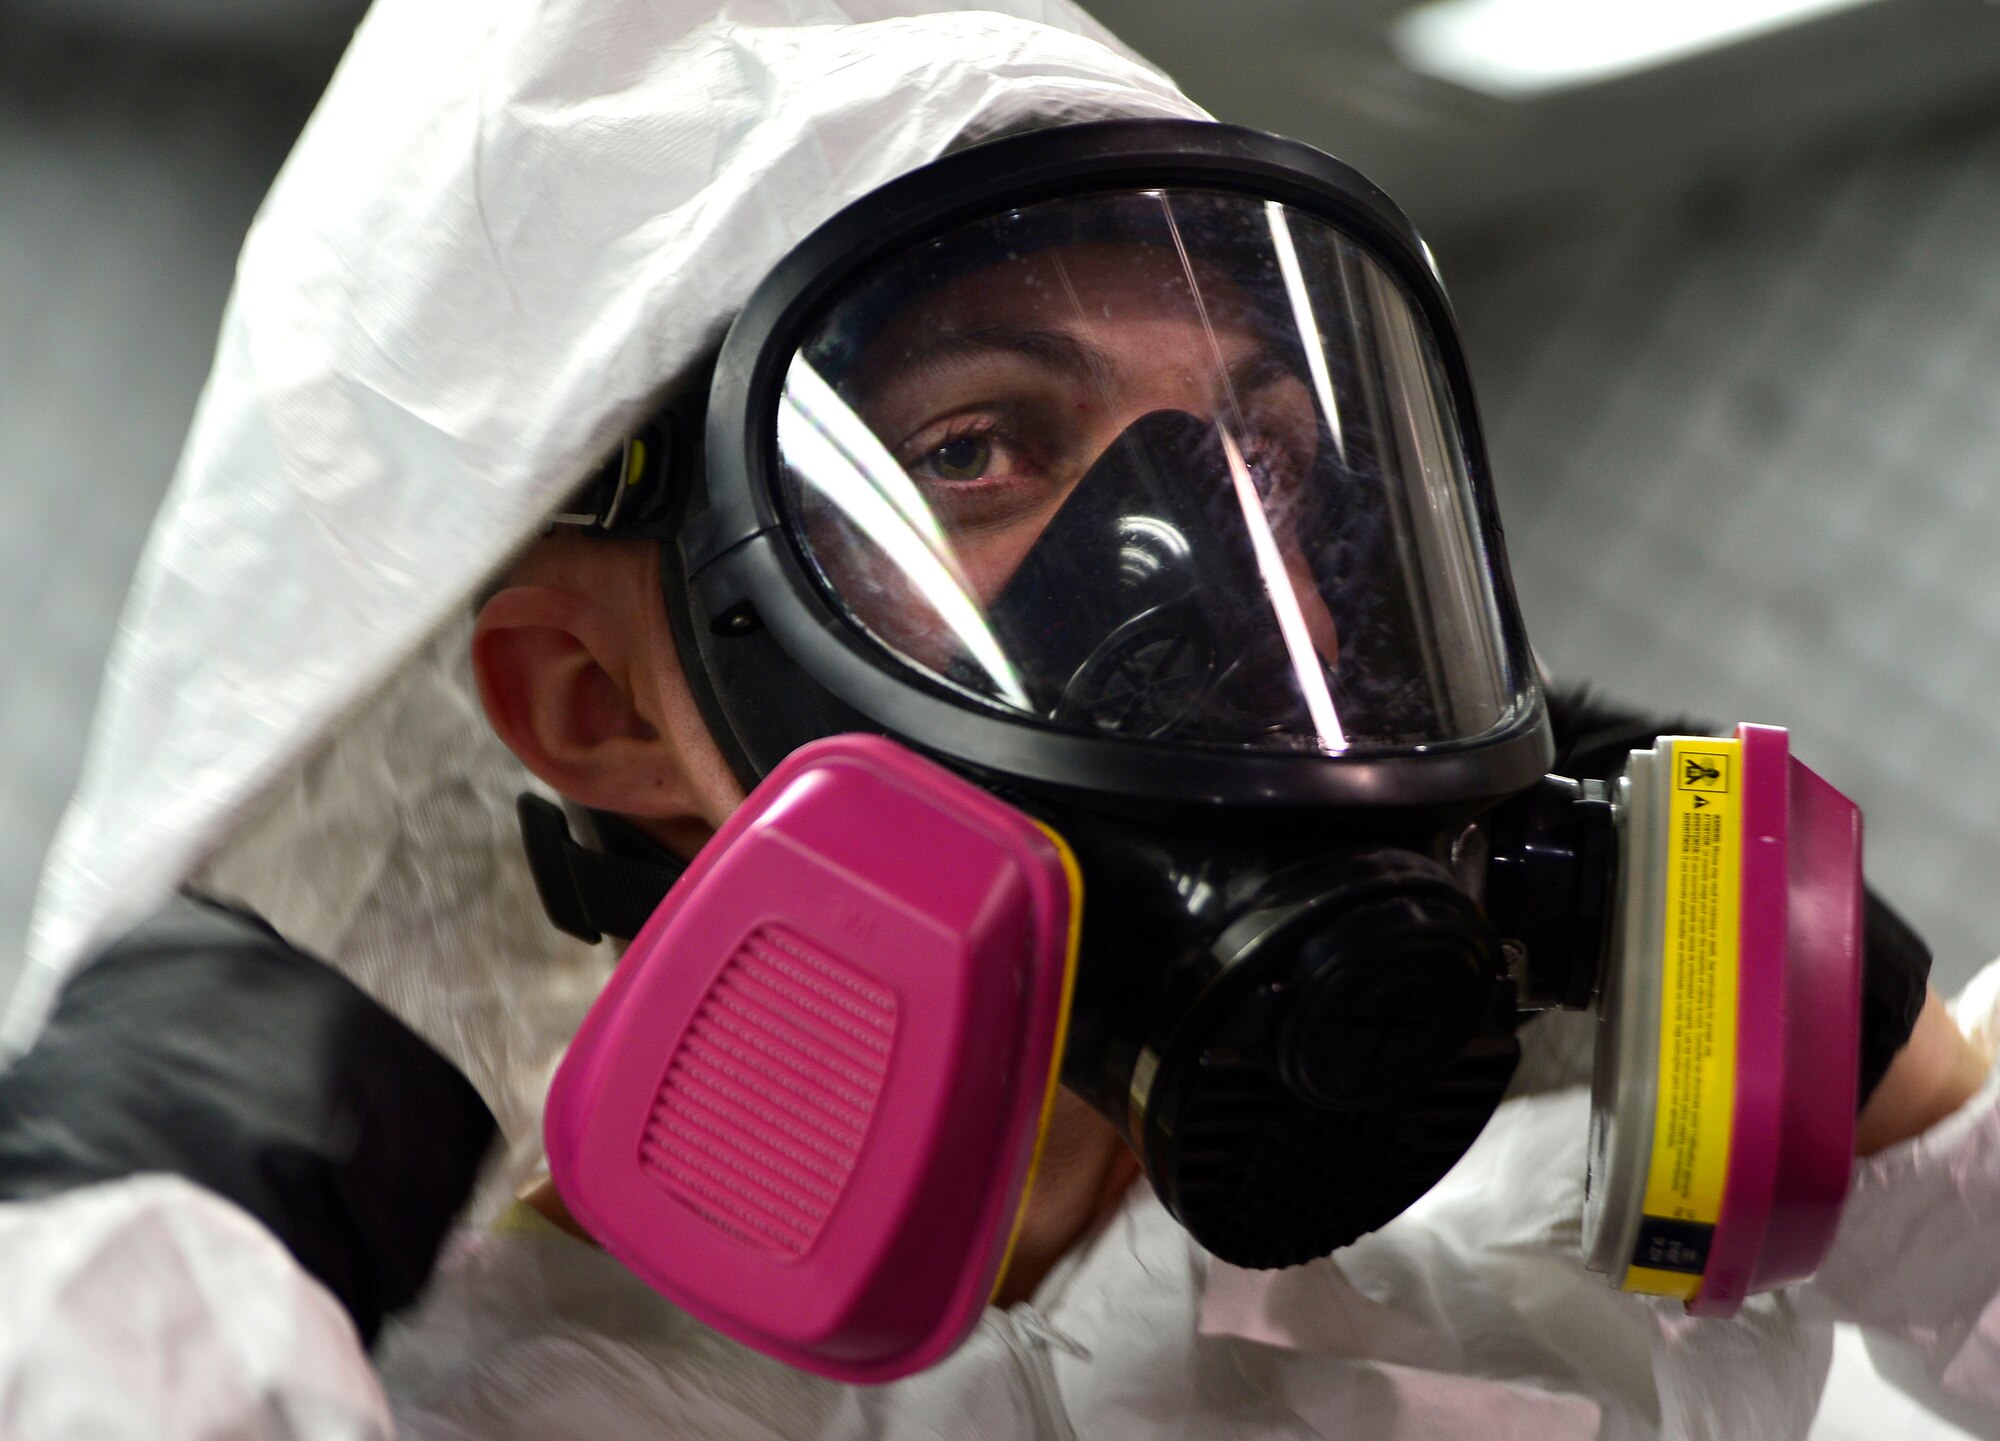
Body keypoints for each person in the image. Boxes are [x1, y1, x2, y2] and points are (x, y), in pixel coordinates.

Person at [0, 1, 1994, 1436]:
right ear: (594, 701)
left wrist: (1907, 1123)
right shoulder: (424, 1387)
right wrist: (135, 1258)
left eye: (1272, 461)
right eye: (972, 447)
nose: (1217, 582)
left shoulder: (1504, 1289)